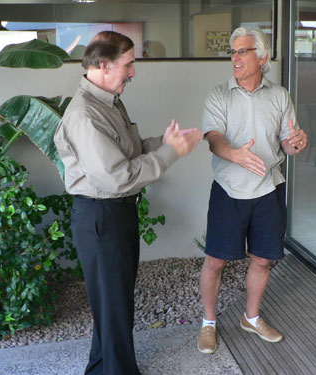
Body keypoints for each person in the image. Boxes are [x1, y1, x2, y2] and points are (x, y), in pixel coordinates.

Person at [54, 31, 202, 374]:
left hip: (112, 215)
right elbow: (117, 176)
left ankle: (100, 367)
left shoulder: (108, 100)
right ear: (104, 65)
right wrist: (170, 154)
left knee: (112, 305)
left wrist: (162, 143)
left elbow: (128, 151)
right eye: (128, 64)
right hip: (101, 217)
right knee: (114, 306)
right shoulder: (85, 116)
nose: (133, 72)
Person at [198, 27, 308, 354]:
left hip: (268, 189)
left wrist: (297, 142)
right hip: (229, 189)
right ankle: (208, 323)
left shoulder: (279, 95)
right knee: (216, 261)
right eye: (232, 52)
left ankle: (251, 316)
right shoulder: (219, 94)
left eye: (242, 51)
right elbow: (213, 138)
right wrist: (235, 154)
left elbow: (287, 144)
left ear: (262, 57)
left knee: (262, 259)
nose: (235, 57)